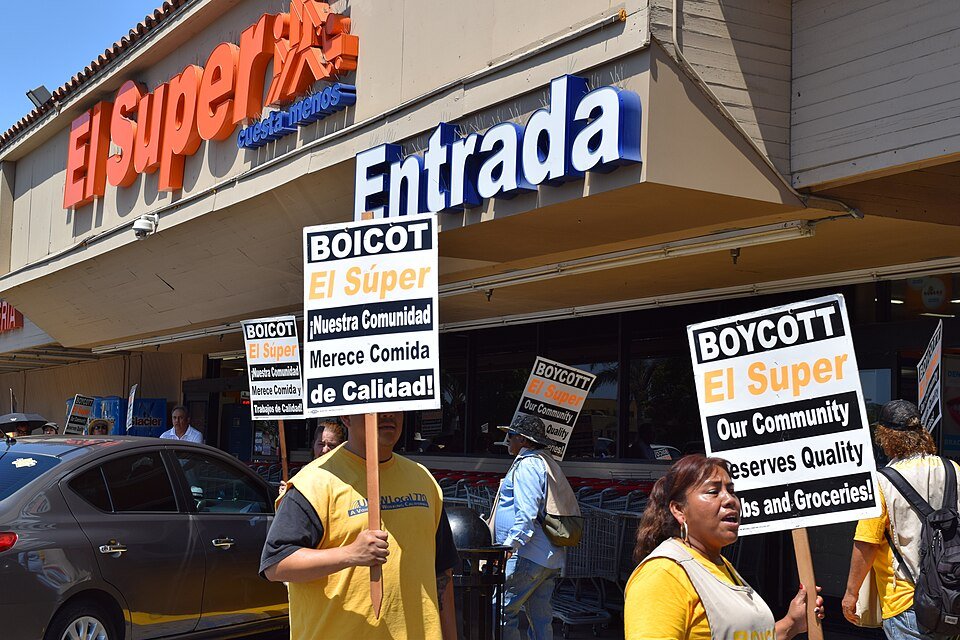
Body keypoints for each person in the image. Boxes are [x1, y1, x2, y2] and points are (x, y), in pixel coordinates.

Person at [259, 411, 458, 639]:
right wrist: (350, 554)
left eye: (395, 402)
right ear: (346, 418)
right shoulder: (314, 483)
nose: (388, 413)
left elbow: (442, 572)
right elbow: (276, 564)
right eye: (374, 405)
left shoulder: (423, 480)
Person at [625, 454, 824, 640]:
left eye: (731, 491)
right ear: (679, 509)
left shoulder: (720, 564)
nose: (730, 500)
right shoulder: (663, 575)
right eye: (713, 492)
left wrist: (792, 623)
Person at [842, 399, 960, 638]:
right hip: (952, 596)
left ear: (885, 437)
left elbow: (866, 543)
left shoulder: (881, 482)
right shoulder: (954, 470)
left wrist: (851, 594)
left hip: (907, 602)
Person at [491, 414, 579, 640]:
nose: (507, 440)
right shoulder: (544, 461)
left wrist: (509, 546)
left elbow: (527, 513)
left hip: (528, 553)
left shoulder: (528, 464)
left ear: (524, 439)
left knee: (501, 609)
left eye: (511, 436)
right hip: (546, 555)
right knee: (540, 617)